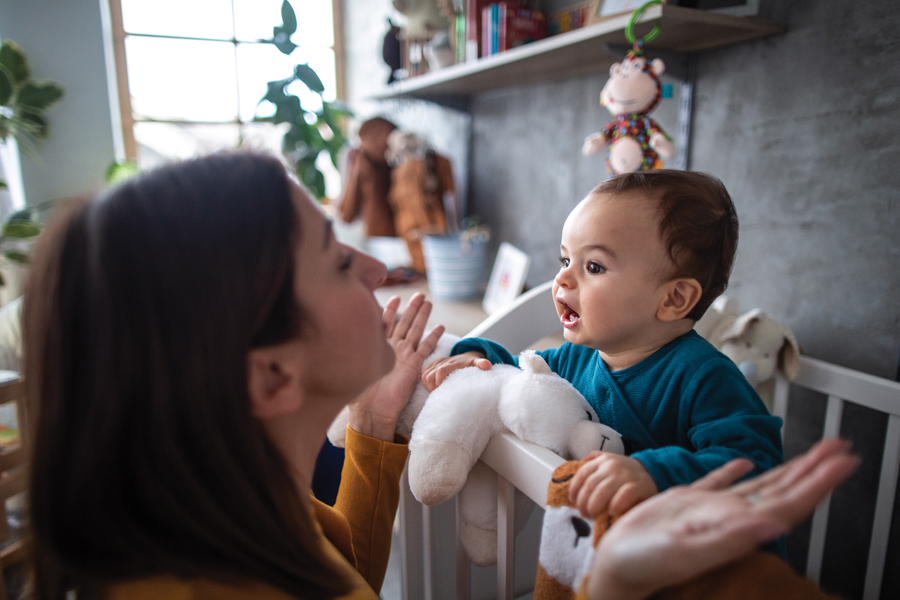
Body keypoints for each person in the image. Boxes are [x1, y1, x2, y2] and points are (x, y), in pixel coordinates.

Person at [22, 153, 851, 600]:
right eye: (333, 257)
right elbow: (529, 363)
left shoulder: (242, 509)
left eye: (591, 266)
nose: (379, 268)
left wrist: (377, 430)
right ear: (272, 374)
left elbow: (340, 564)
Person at [422, 170, 784, 524]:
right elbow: (523, 370)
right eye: (565, 260)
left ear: (674, 298)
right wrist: (479, 358)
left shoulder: (704, 376)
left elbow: (755, 464)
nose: (562, 277)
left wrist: (652, 474)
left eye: (593, 266)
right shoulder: (576, 359)